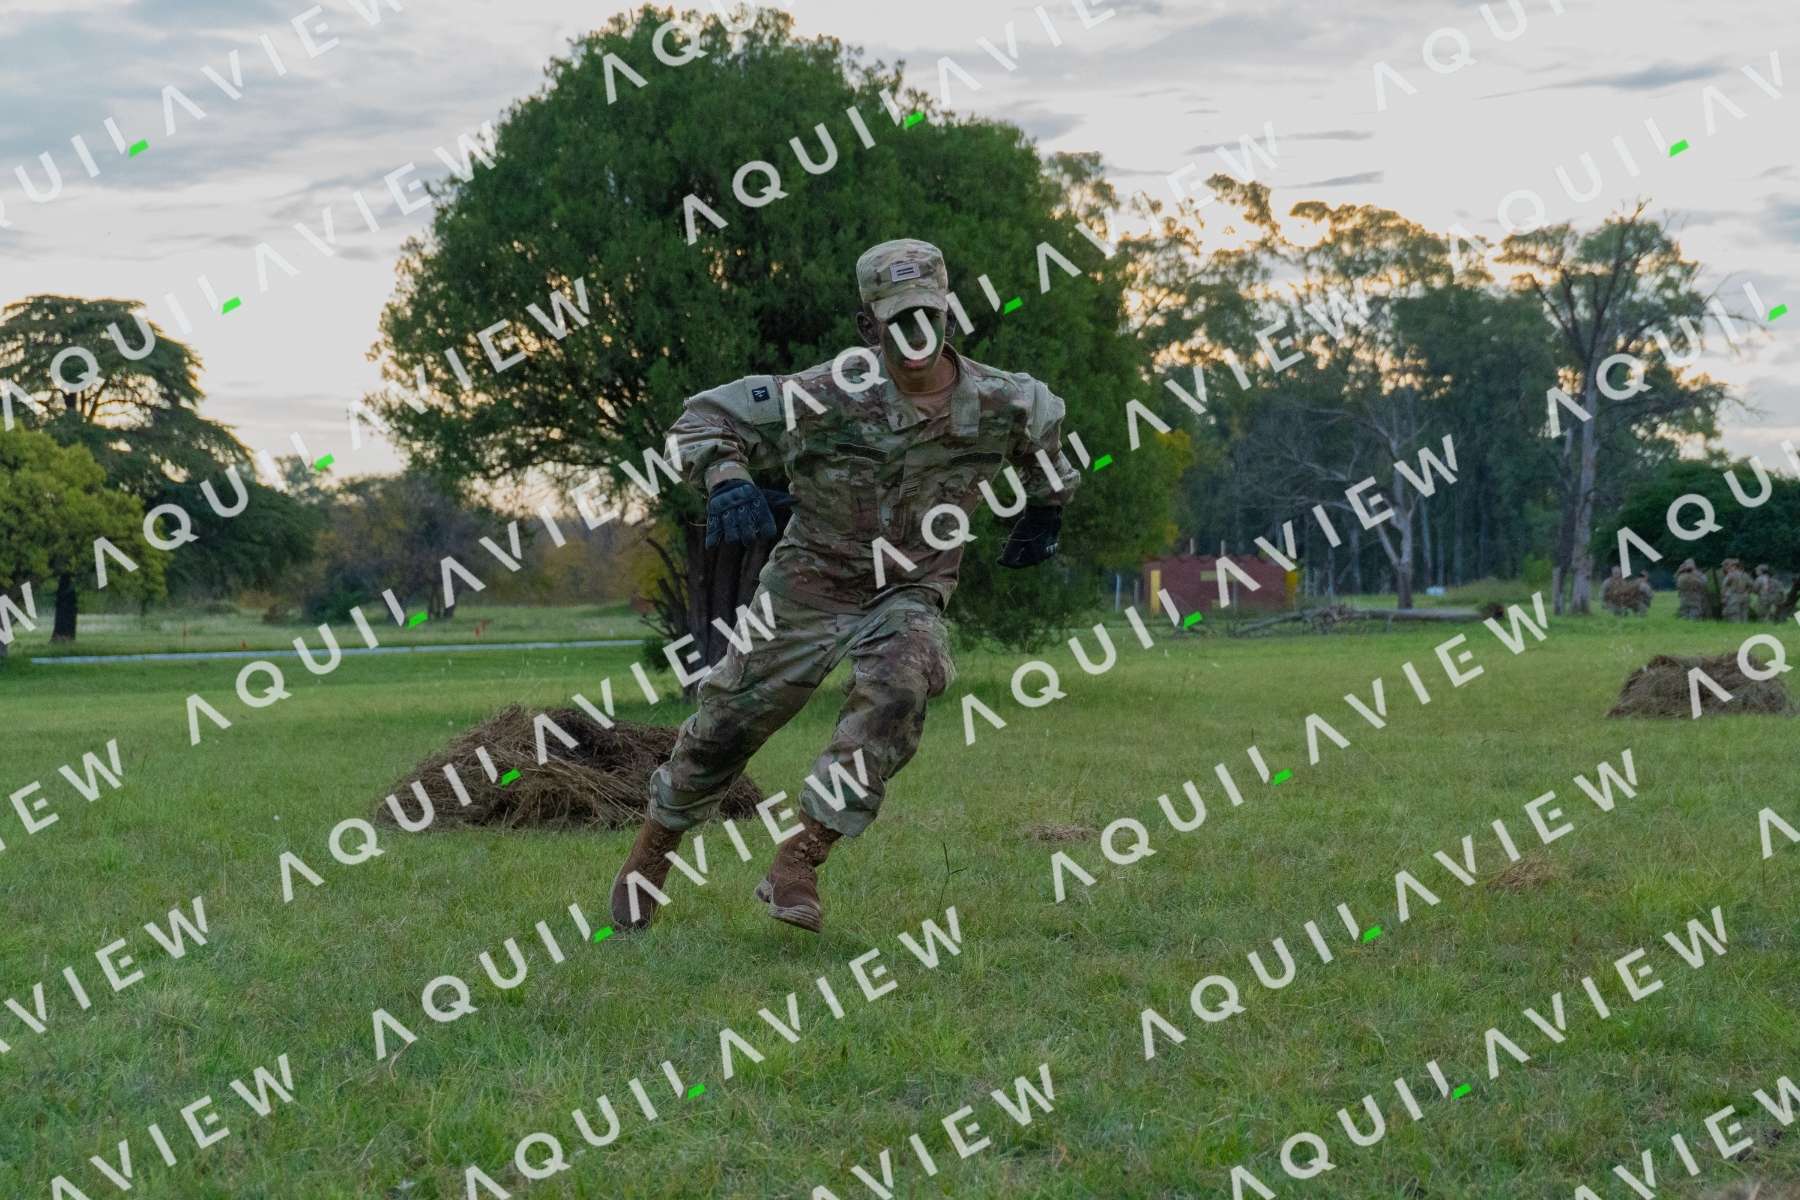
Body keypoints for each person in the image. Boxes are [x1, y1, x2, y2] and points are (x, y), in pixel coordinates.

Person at [608, 238, 1080, 934]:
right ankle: (653, 851)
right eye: (897, 321)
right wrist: (727, 477)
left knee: (903, 684)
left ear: (948, 315)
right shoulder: (827, 393)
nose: (915, 334)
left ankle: (800, 857)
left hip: (908, 590)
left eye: (928, 316)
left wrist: (1046, 509)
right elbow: (703, 418)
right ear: (868, 327)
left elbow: (1049, 449)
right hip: (807, 587)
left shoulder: (1006, 400)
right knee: (725, 728)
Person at [1721, 558, 1752, 622]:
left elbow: (1724, 587)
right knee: (1744, 616)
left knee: (1734, 616)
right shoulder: (1745, 575)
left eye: (1731, 566)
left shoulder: (1731, 575)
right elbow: (1751, 585)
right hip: (1744, 597)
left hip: (1734, 597)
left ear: (1734, 566)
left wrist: (1723, 597)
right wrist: (1747, 592)